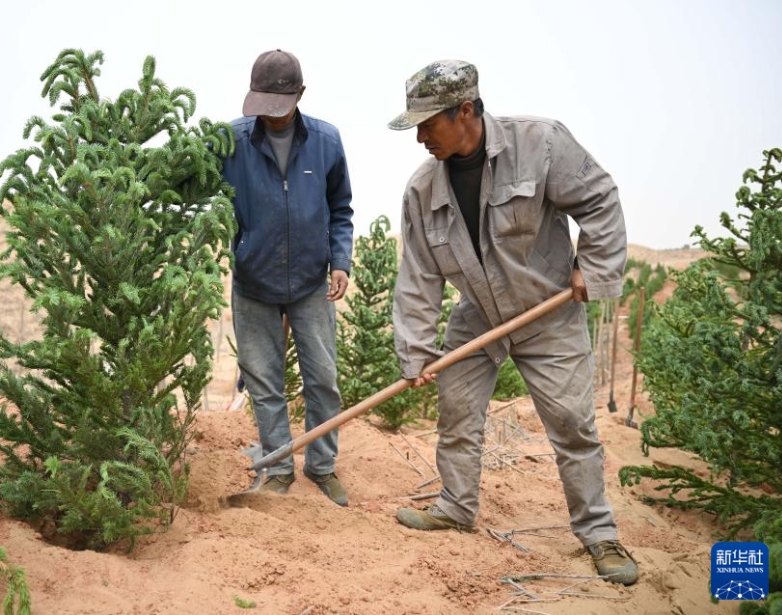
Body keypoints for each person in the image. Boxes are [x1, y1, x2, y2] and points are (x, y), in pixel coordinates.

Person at [386, 60, 638, 585]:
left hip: (548, 310)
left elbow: (600, 199)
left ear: (466, 111)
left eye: (428, 125)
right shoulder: (421, 191)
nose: (420, 140)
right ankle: (455, 508)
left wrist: (591, 266)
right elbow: (418, 277)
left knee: (572, 424)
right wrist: (415, 350)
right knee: (457, 409)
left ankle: (598, 534)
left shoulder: (540, 144)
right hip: (478, 313)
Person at [222, 49, 354, 506]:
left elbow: (341, 209)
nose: (272, 118)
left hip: (310, 282)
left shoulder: (326, 141)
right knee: (263, 381)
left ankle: (323, 467)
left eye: (280, 107)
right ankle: (278, 467)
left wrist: (341, 260)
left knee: (323, 380)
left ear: (300, 95)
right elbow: (201, 197)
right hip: (253, 281)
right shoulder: (231, 142)